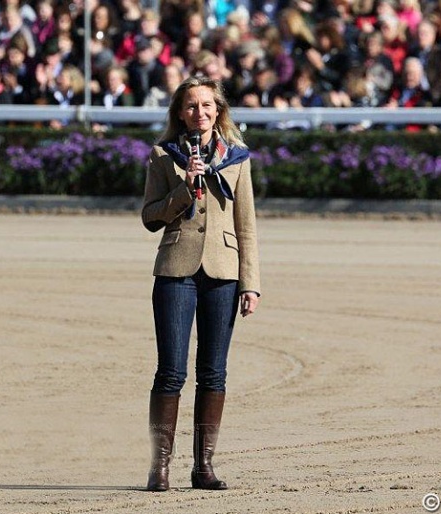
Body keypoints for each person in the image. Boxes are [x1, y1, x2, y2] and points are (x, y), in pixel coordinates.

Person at [141, 75, 261, 492]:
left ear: (218, 111)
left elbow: (247, 226)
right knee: (171, 371)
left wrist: (251, 282)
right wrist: (184, 187)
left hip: (223, 273)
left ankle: (203, 466)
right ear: (179, 113)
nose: (200, 113)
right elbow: (150, 217)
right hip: (175, 270)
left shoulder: (237, 158)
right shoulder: (162, 155)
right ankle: (160, 467)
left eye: (207, 105)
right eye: (191, 106)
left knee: (214, 372)